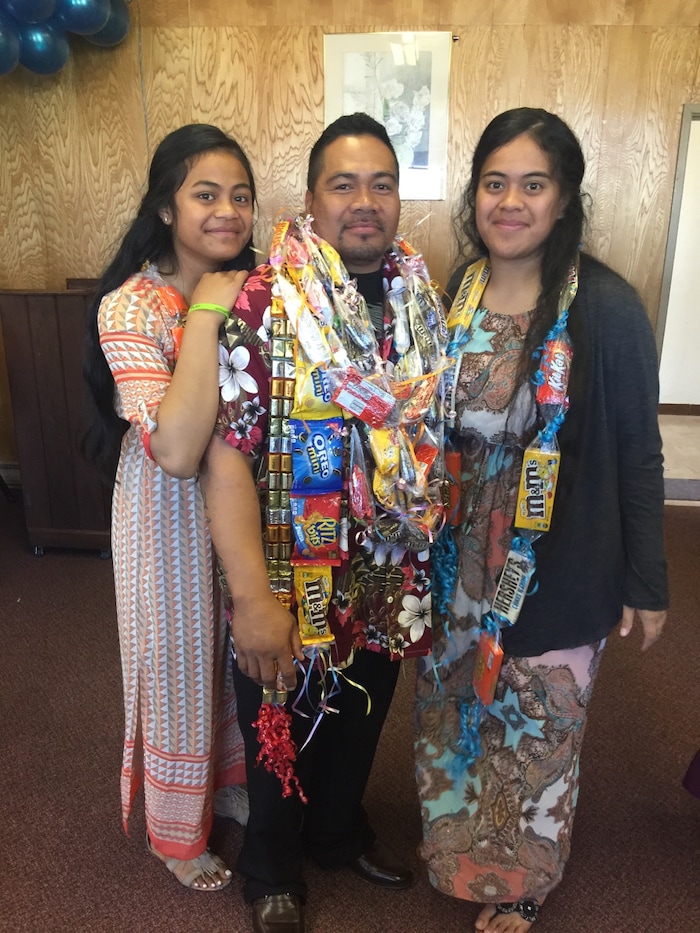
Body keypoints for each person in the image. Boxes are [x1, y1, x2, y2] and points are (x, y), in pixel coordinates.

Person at [413, 107, 669, 932]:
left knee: (536, 722)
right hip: (455, 557)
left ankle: (521, 881)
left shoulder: (605, 307)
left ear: (564, 199)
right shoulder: (458, 289)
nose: (510, 202)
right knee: (455, 712)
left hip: (556, 559)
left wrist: (646, 580)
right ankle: (457, 854)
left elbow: (639, 452)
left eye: (533, 184)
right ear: (475, 195)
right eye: (495, 183)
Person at [199, 112, 448, 933]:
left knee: (364, 708)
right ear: (310, 198)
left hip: (389, 561)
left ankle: (339, 834)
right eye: (344, 184)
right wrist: (250, 595)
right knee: (280, 712)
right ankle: (271, 866)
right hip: (288, 566)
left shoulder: (422, 297)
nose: (364, 201)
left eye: (382, 183)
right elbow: (226, 454)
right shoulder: (267, 300)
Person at [83, 124, 258, 891]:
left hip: (248, 509)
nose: (228, 211)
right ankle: (175, 834)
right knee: (179, 664)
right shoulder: (131, 307)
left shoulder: (259, 286)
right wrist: (207, 315)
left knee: (234, 654)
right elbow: (179, 449)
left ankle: (226, 784)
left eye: (241, 196)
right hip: (168, 516)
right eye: (206, 194)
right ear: (165, 207)